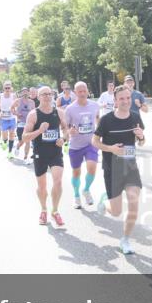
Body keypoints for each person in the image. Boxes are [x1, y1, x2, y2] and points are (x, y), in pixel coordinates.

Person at [94, 85, 146, 255]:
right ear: (115, 101)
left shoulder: (136, 117)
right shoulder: (106, 120)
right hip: (112, 169)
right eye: (121, 98)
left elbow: (142, 143)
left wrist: (141, 137)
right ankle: (105, 202)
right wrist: (111, 148)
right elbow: (95, 142)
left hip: (130, 167)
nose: (125, 101)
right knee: (116, 212)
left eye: (128, 98)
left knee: (133, 203)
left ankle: (125, 239)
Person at [22, 86, 69, 227]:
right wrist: (40, 130)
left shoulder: (59, 113)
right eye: (44, 94)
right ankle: (43, 210)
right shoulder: (33, 115)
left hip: (55, 152)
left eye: (50, 94)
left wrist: (64, 139)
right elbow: (25, 137)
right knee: (42, 186)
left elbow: (66, 129)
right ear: (38, 97)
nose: (48, 97)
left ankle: (55, 211)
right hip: (40, 153)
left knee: (58, 181)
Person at [64, 81, 101, 209]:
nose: (82, 93)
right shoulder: (70, 109)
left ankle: (86, 189)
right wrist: (70, 131)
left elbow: (97, 118)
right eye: (79, 91)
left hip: (91, 143)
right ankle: (76, 196)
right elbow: (65, 127)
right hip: (75, 145)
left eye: (84, 90)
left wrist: (100, 130)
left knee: (92, 167)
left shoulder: (95, 105)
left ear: (87, 91)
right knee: (76, 173)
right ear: (75, 92)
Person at [0, 82, 18, 157]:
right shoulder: (0, 96)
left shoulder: (14, 96)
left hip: (11, 118)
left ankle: (10, 152)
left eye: (9, 88)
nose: (7, 89)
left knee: (12, 134)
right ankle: (5, 143)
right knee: (4, 136)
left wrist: (15, 109)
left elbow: (17, 105)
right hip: (3, 118)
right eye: (6, 88)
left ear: (11, 88)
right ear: (3, 88)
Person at [15, 88, 35, 161]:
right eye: (23, 91)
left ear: (29, 93)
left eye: (26, 91)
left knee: (28, 140)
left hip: (29, 124)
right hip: (20, 123)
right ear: (21, 93)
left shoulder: (32, 102)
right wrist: (16, 114)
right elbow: (11, 108)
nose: (25, 93)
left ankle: (25, 156)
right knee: (21, 141)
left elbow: (34, 111)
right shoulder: (18, 101)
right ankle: (17, 147)